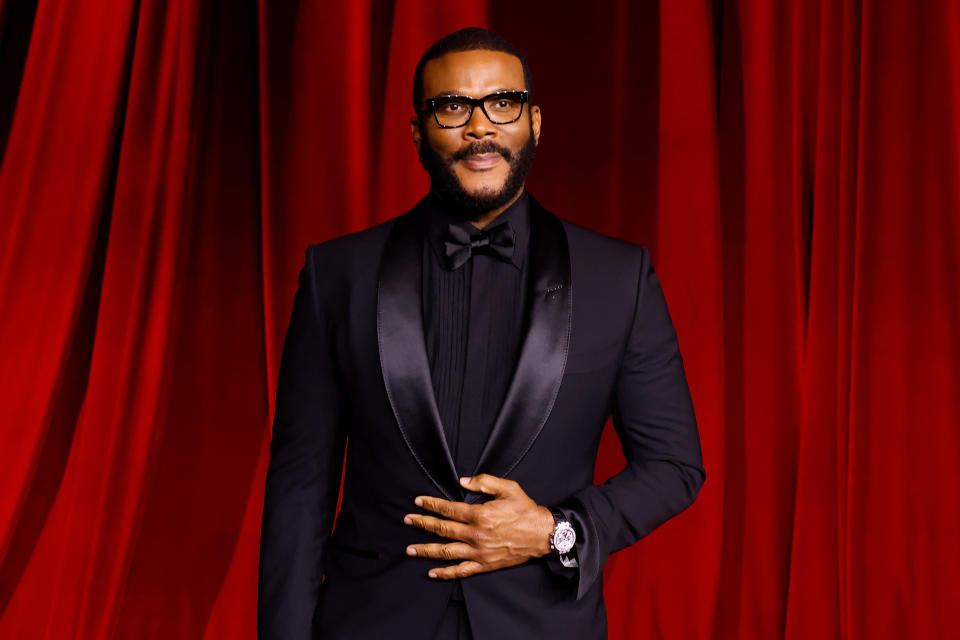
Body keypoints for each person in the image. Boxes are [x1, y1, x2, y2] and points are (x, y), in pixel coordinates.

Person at [257, 27, 705, 640]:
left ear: (534, 120)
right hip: (370, 622)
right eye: (452, 107)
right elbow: (300, 483)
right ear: (418, 132)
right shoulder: (337, 275)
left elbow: (674, 464)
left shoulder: (618, 277)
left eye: (503, 103)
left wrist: (556, 530)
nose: (480, 128)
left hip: (543, 625)